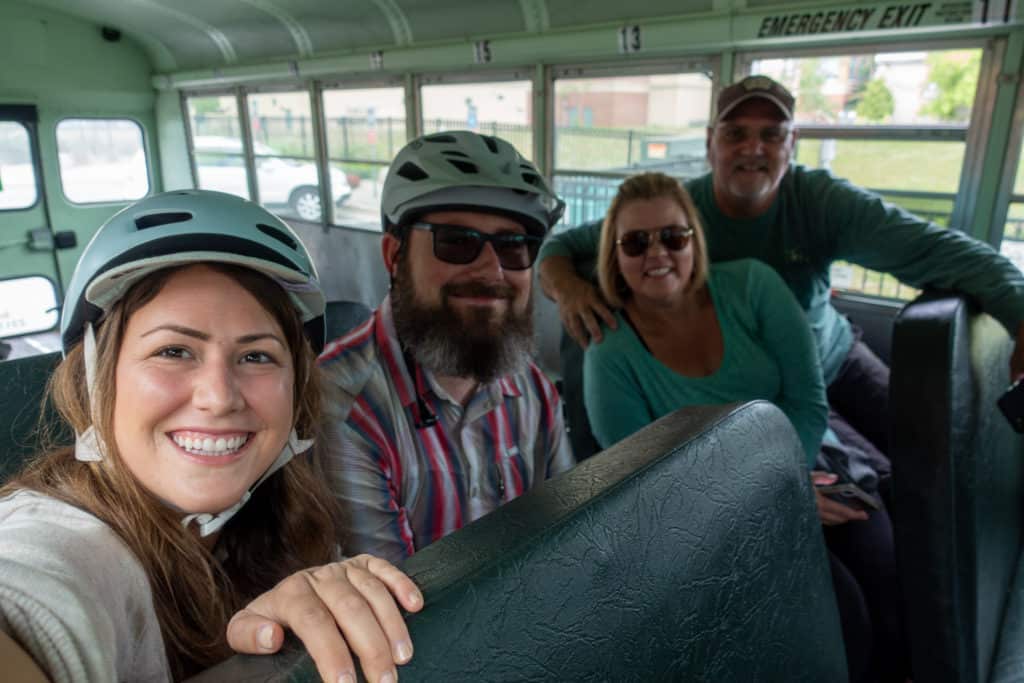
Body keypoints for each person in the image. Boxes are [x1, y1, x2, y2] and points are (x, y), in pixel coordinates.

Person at [0, 190, 422, 683]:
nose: (220, 397)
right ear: (96, 377)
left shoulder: (285, 516)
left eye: (256, 356)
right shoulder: (64, 545)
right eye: (174, 351)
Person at [539, 74, 1024, 464]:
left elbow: (935, 250)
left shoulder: (820, 202)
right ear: (711, 144)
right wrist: (566, 287)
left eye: (771, 135)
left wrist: (1019, 311)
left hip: (832, 354)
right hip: (766, 384)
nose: (753, 149)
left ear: (793, 144)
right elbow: (565, 245)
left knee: (930, 452)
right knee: (877, 484)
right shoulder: (677, 213)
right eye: (736, 135)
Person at [583, 172, 906, 683]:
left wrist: (789, 482)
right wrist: (772, 498)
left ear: (694, 240)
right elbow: (645, 481)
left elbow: (807, 399)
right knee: (840, 609)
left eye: (673, 236)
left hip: (802, 464)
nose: (657, 253)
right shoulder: (611, 352)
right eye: (635, 242)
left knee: (884, 561)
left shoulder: (753, 284)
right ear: (614, 257)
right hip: (705, 509)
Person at [320, 131, 575, 563]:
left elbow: (566, 535)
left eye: (515, 247)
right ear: (394, 256)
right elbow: (397, 606)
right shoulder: (344, 407)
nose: (492, 271)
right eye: (456, 241)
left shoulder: (533, 390)